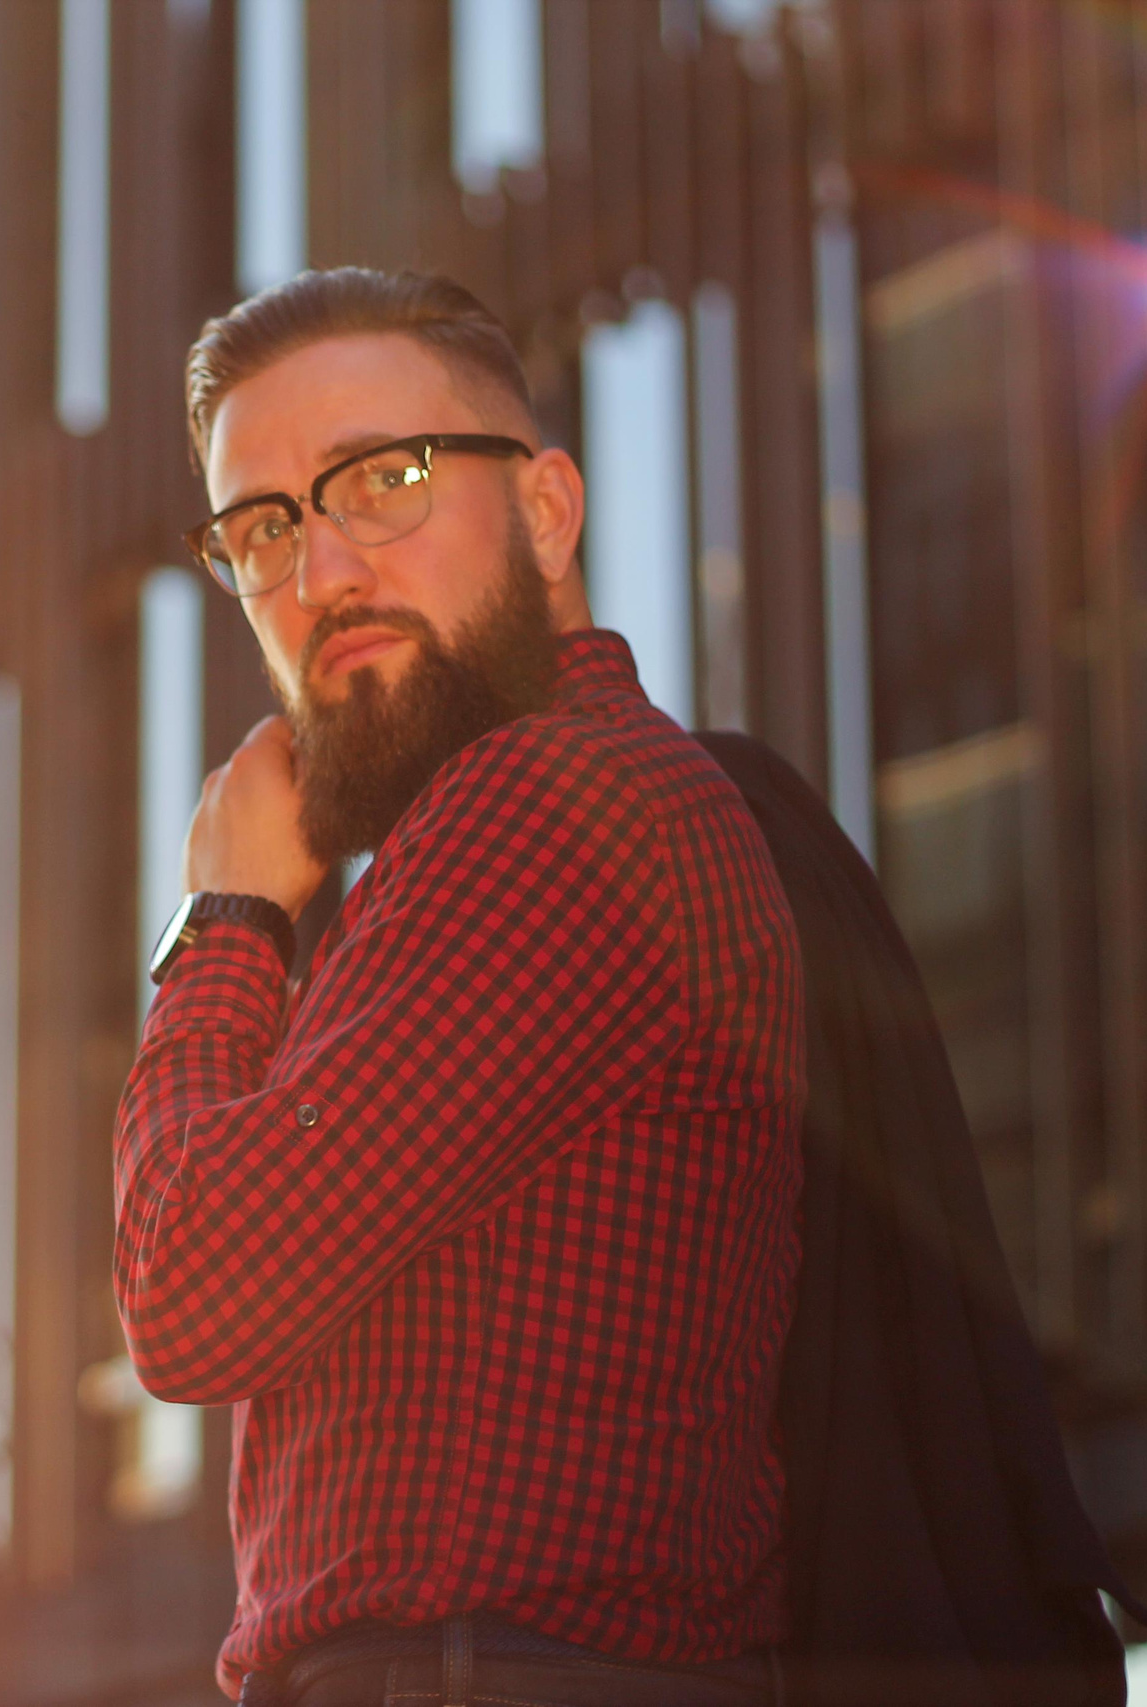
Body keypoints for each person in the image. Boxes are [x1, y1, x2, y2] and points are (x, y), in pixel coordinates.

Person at [115, 267, 805, 1707]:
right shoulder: (476, 844)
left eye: (383, 482)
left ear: (547, 512)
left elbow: (192, 1288)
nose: (323, 577)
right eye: (265, 530)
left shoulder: (554, 797)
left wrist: (227, 915)